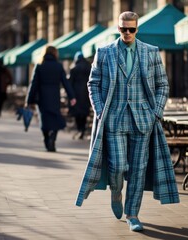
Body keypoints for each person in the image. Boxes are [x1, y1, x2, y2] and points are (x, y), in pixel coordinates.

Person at [75, 11, 179, 231]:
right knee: (118, 167)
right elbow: (92, 84)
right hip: (114, 119)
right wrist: (101, 111)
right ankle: (115, 192)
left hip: (143, 120)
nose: (128, 33)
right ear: (118, 28)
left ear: (137, 29)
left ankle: (133, 214)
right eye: (124, 29)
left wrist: (155, 113)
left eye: (132, 29)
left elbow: (163, 85)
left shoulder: (151, 52)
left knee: (139, 170)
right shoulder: (104, 53)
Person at [25, 46, 76, 152]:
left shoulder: (39, 66)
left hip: (42, 98)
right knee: (55, 118)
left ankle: (46, 138)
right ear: (55, 54)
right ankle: (52, 137)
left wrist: (28, 100)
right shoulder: (58, 66)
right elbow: (65, 82)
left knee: (44, 120)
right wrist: (72, 96)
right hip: (54, 97)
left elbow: (33, 84)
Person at [68, 51, 91, 140]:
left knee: (77, 113)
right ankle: (83, 130)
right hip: (87, 94)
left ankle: (79, 130)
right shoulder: (89, 67)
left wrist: (70, 96)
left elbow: (70, 82)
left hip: (76, 94)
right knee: (84, 113)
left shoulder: (73, 68)